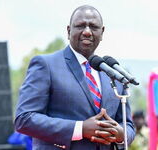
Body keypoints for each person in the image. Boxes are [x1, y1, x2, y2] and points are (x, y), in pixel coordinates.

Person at [14, 5, 135, 150]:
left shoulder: (111, 73)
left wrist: (121, 134)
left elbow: (127, 125)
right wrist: (80, 128)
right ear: (68, 30)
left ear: (102, 32)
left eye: (94, 27)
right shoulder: (46, 65)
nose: (87, 32)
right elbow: (24, 119)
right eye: (80, 26)